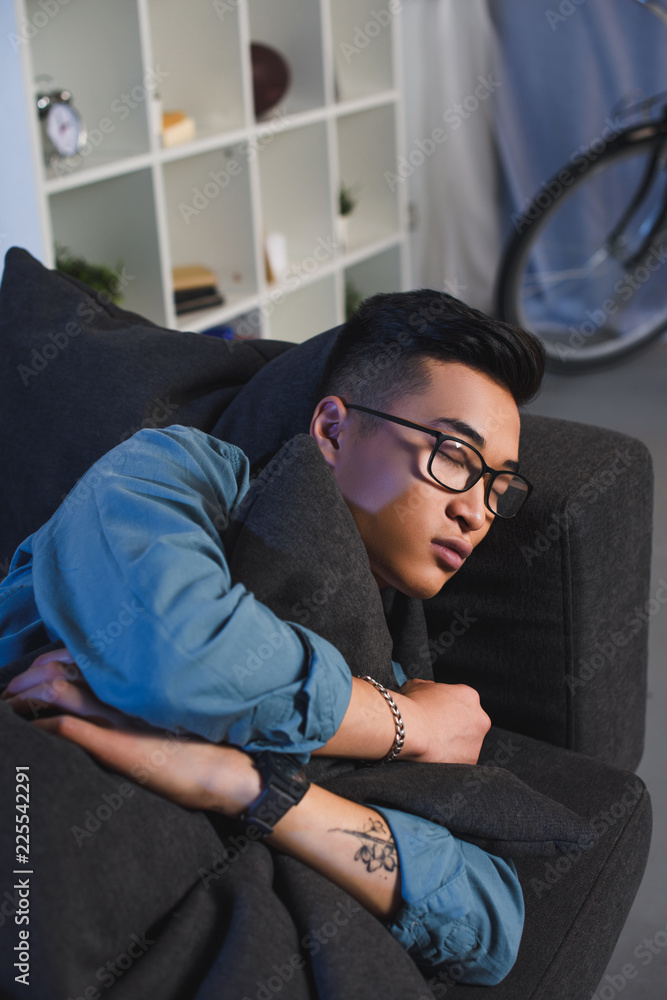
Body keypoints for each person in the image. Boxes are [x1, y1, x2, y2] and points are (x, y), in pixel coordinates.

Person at [0, 290, 544, 986]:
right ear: (333, 430)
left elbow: (489, 919)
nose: (475, 510)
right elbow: (183, 654)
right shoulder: (171, 475)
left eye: (498, 486)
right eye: (453, 455)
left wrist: (243, 783)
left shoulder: (386, 657)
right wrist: (406, 725)